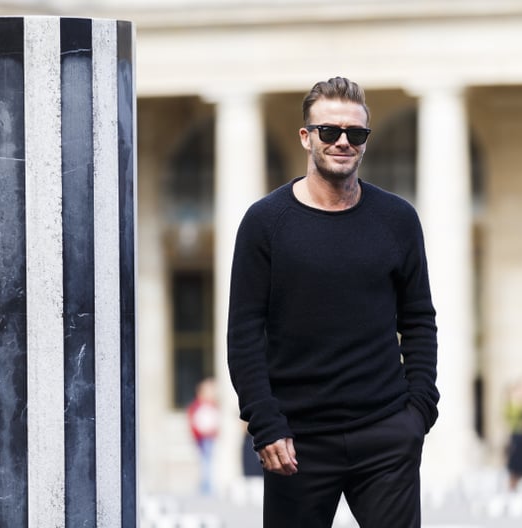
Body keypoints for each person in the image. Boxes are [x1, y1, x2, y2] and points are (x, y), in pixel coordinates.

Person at [227, 77, 439, 528]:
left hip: (386, 436)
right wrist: (265, 422)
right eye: (329, 131)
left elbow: (419, 320)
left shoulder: (398, 220)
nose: (343, 142)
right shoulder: (265, 223)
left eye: (355, 134)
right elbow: (244, 333)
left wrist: (418, 413)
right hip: (296, 443)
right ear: (306, 137)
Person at [187, 377, 220, 495]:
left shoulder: (211, 405)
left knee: (207, 461)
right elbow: (196, 422)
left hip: (209, 437)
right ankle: (206, 485)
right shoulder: (198, 406)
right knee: (205, 462)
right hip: (203, 437)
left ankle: (207, 484)